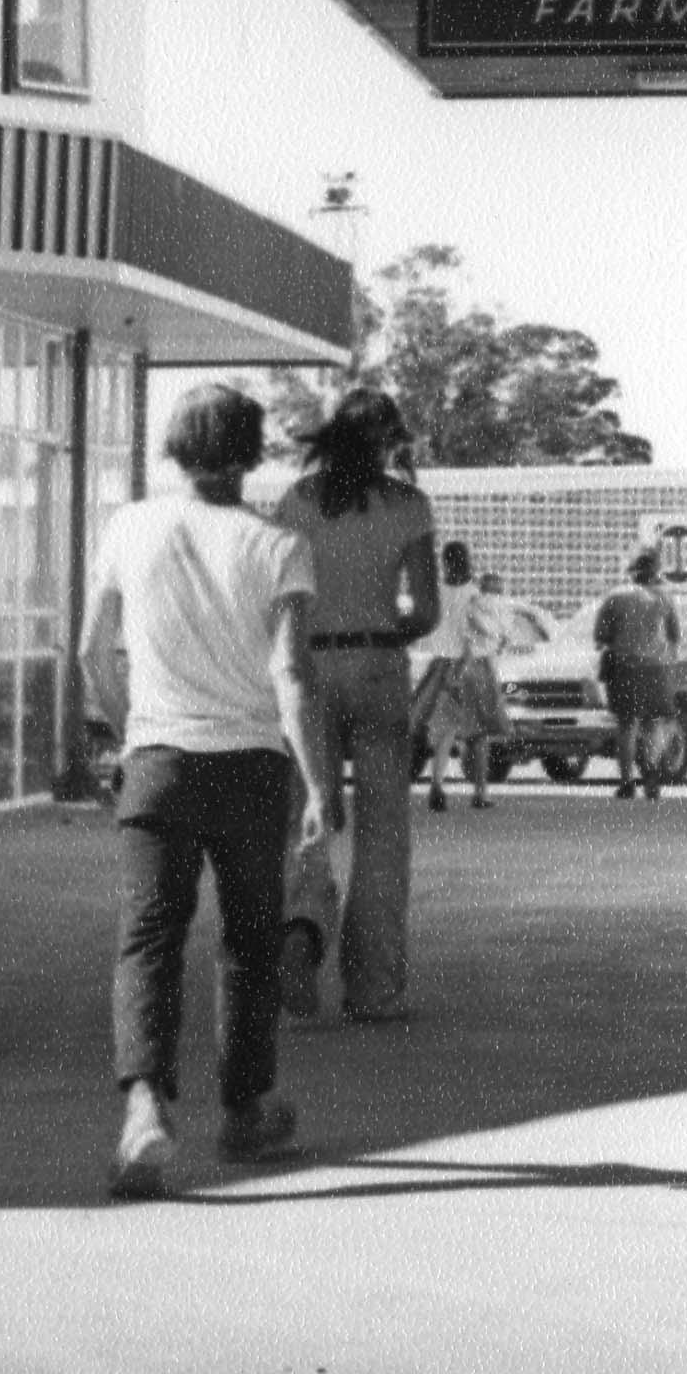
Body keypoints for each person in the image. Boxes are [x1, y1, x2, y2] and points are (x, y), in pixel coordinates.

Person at [83, 385, 329, 1198]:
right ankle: (244, 1109)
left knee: (147, 935)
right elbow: (289, 673)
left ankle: (144, 1106)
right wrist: (319, 784)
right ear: (252, 452)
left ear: (174, 448)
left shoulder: (127, 525)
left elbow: (91, 653)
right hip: (251, 766)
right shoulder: (279, 545)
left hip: (156, 758)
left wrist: (130, 730)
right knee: (249, 939)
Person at [264, 388, 437, 1019]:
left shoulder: (297, 503)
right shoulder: (408, 507)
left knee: (306, 812)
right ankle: (373, 987)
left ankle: (301, 934)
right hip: (377, 667)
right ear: (389, 442)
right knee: (383, 830)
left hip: (306, 666)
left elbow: (276, 596)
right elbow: (426, 611)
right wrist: (389, 632)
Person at [410, 539, 503, 814]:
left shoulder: (437, 592)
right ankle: (480, 792)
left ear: (445, 562)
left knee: (446, 731)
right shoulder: (474, 594)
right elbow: (475, 635)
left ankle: (437, 784)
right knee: (479, 733)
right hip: (472, 665)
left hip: (441, 666)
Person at [593, 549, 684, 801]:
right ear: (655, 573)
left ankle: (626, 782)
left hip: (624, 668)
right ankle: (652, 776)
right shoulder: (665, 599)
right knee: (655, 722)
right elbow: (675, 636)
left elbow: (600, 637)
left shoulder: (615, 599)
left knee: (627, 725)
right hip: (657, 668)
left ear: (633, 572)